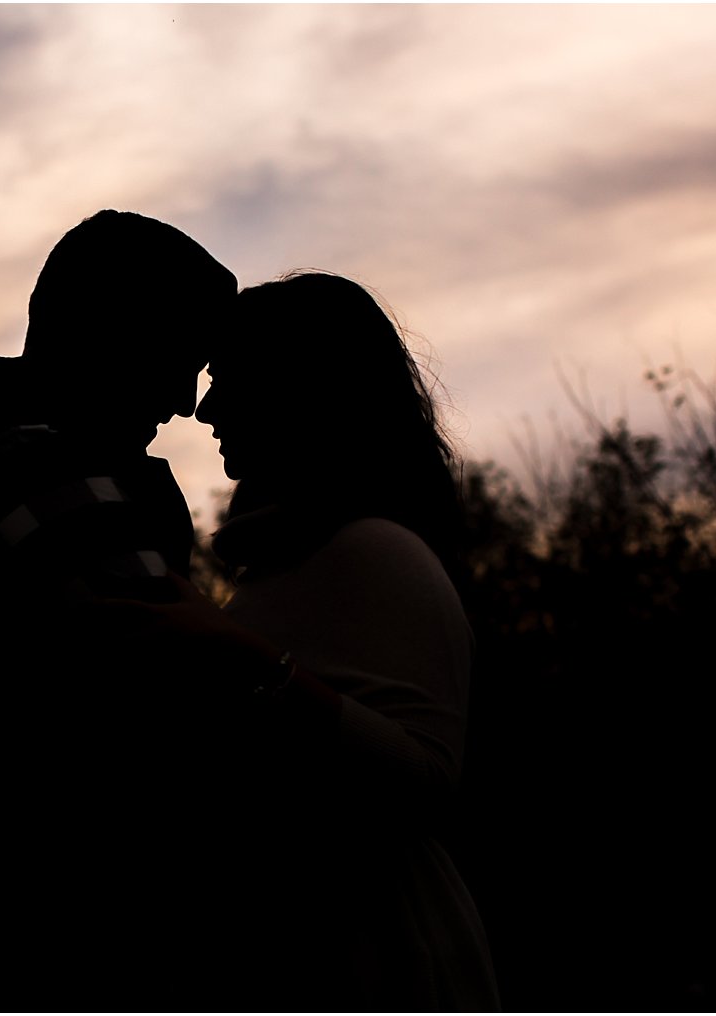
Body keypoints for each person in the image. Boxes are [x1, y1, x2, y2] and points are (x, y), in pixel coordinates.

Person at [0, 210, 238, 964]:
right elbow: (178, 705)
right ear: (117, 333)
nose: (188, 402)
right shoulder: (33, 460)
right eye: (179, 358)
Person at [190, 270, 502, 1010]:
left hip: (376, 959)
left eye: (227, 377)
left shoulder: (378, 551)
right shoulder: (287, 565)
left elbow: (427, 778)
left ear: (301, 389)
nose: (205, 408)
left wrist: (232, 655)